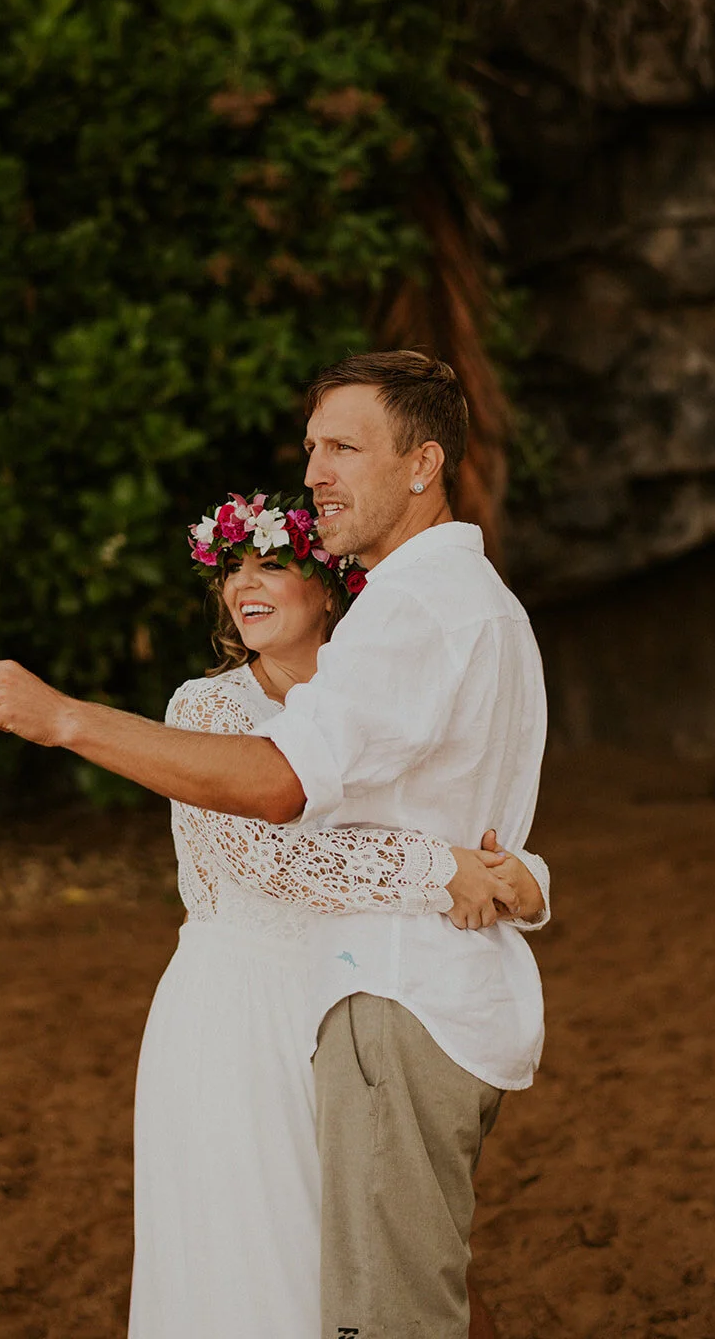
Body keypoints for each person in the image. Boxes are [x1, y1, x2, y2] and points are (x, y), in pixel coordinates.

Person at [0, 348, 551, 1339]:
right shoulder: (228, 698)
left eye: (343, 445)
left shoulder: (404, 623)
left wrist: (65, 718)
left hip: (374, 998)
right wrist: (458, 870)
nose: (316, 469)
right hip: (272, 1002)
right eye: (311, 445)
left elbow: (284, 794)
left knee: (359, 1292)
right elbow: (301, 849)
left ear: (422, 464)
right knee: (271, 1264)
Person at [126, 493, 545, 1338]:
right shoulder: (204, 713)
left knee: (381, 1246)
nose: (244, 586)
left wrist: (520, 874)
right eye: (230, 570)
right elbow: (271, 861)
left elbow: (442, 813)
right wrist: (444, 872)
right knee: (262, 1245)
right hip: (238, 1012)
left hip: (364, 995)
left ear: (330, 590)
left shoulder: (373, 704)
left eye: (271, 565)